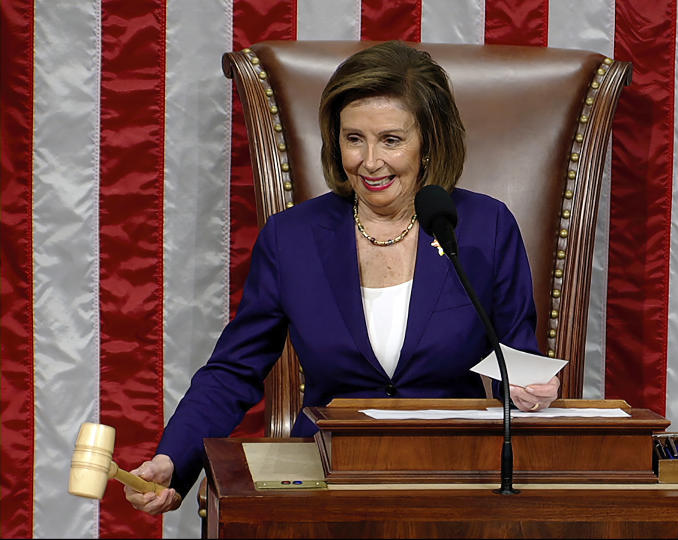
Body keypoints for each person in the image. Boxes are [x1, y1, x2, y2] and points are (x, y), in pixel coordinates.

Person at [125, 41, 560, 515]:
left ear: (430, 140)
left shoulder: (484, 227)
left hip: (453, 478)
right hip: (326, 481)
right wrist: (173, 458)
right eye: (354, 138)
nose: (369, 162)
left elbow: (514, 358)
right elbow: (235, 369)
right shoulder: (293, 237)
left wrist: (526, 392)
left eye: (391, 140)